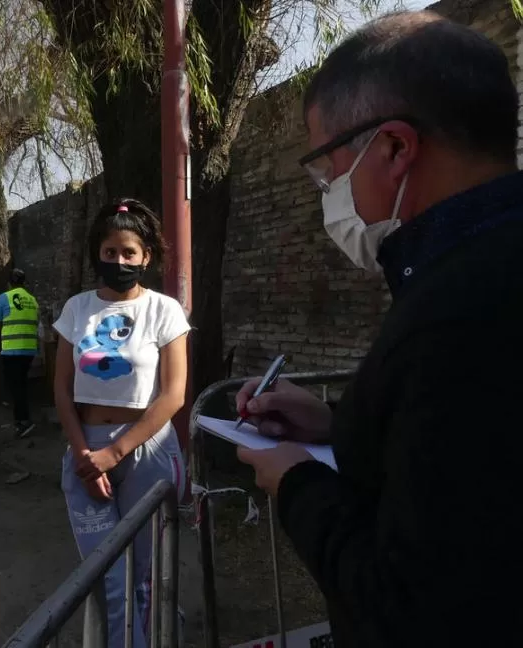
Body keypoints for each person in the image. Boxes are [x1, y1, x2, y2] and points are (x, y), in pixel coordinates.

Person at [234, 11, 523, 647]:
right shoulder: (474, 274)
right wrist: (340, 425)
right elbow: (468, 469)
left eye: (327, 168)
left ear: (394, 148)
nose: (327, 191)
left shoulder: (455, 313)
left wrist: (295, 482)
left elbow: (413, 611)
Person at [53, 199, 190, 647]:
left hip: (147, 451)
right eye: (110, 252)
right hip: (86, 451)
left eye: (129, 253)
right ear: (98, 253)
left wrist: (116, 451)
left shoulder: (164, 311)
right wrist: (85, 457)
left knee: (149, 578)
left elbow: (173, 395)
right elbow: (61, 389)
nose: (119, 261)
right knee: (107, 579)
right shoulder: (76, 310)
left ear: (146, 256)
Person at [0, 268, 40, 438]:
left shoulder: (3, 298)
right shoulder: (32, 300)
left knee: (16, 387)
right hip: (29, 349)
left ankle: (23, 422)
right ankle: (21, 416)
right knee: (21, 384)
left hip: (12, 350)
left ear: (9, 283)